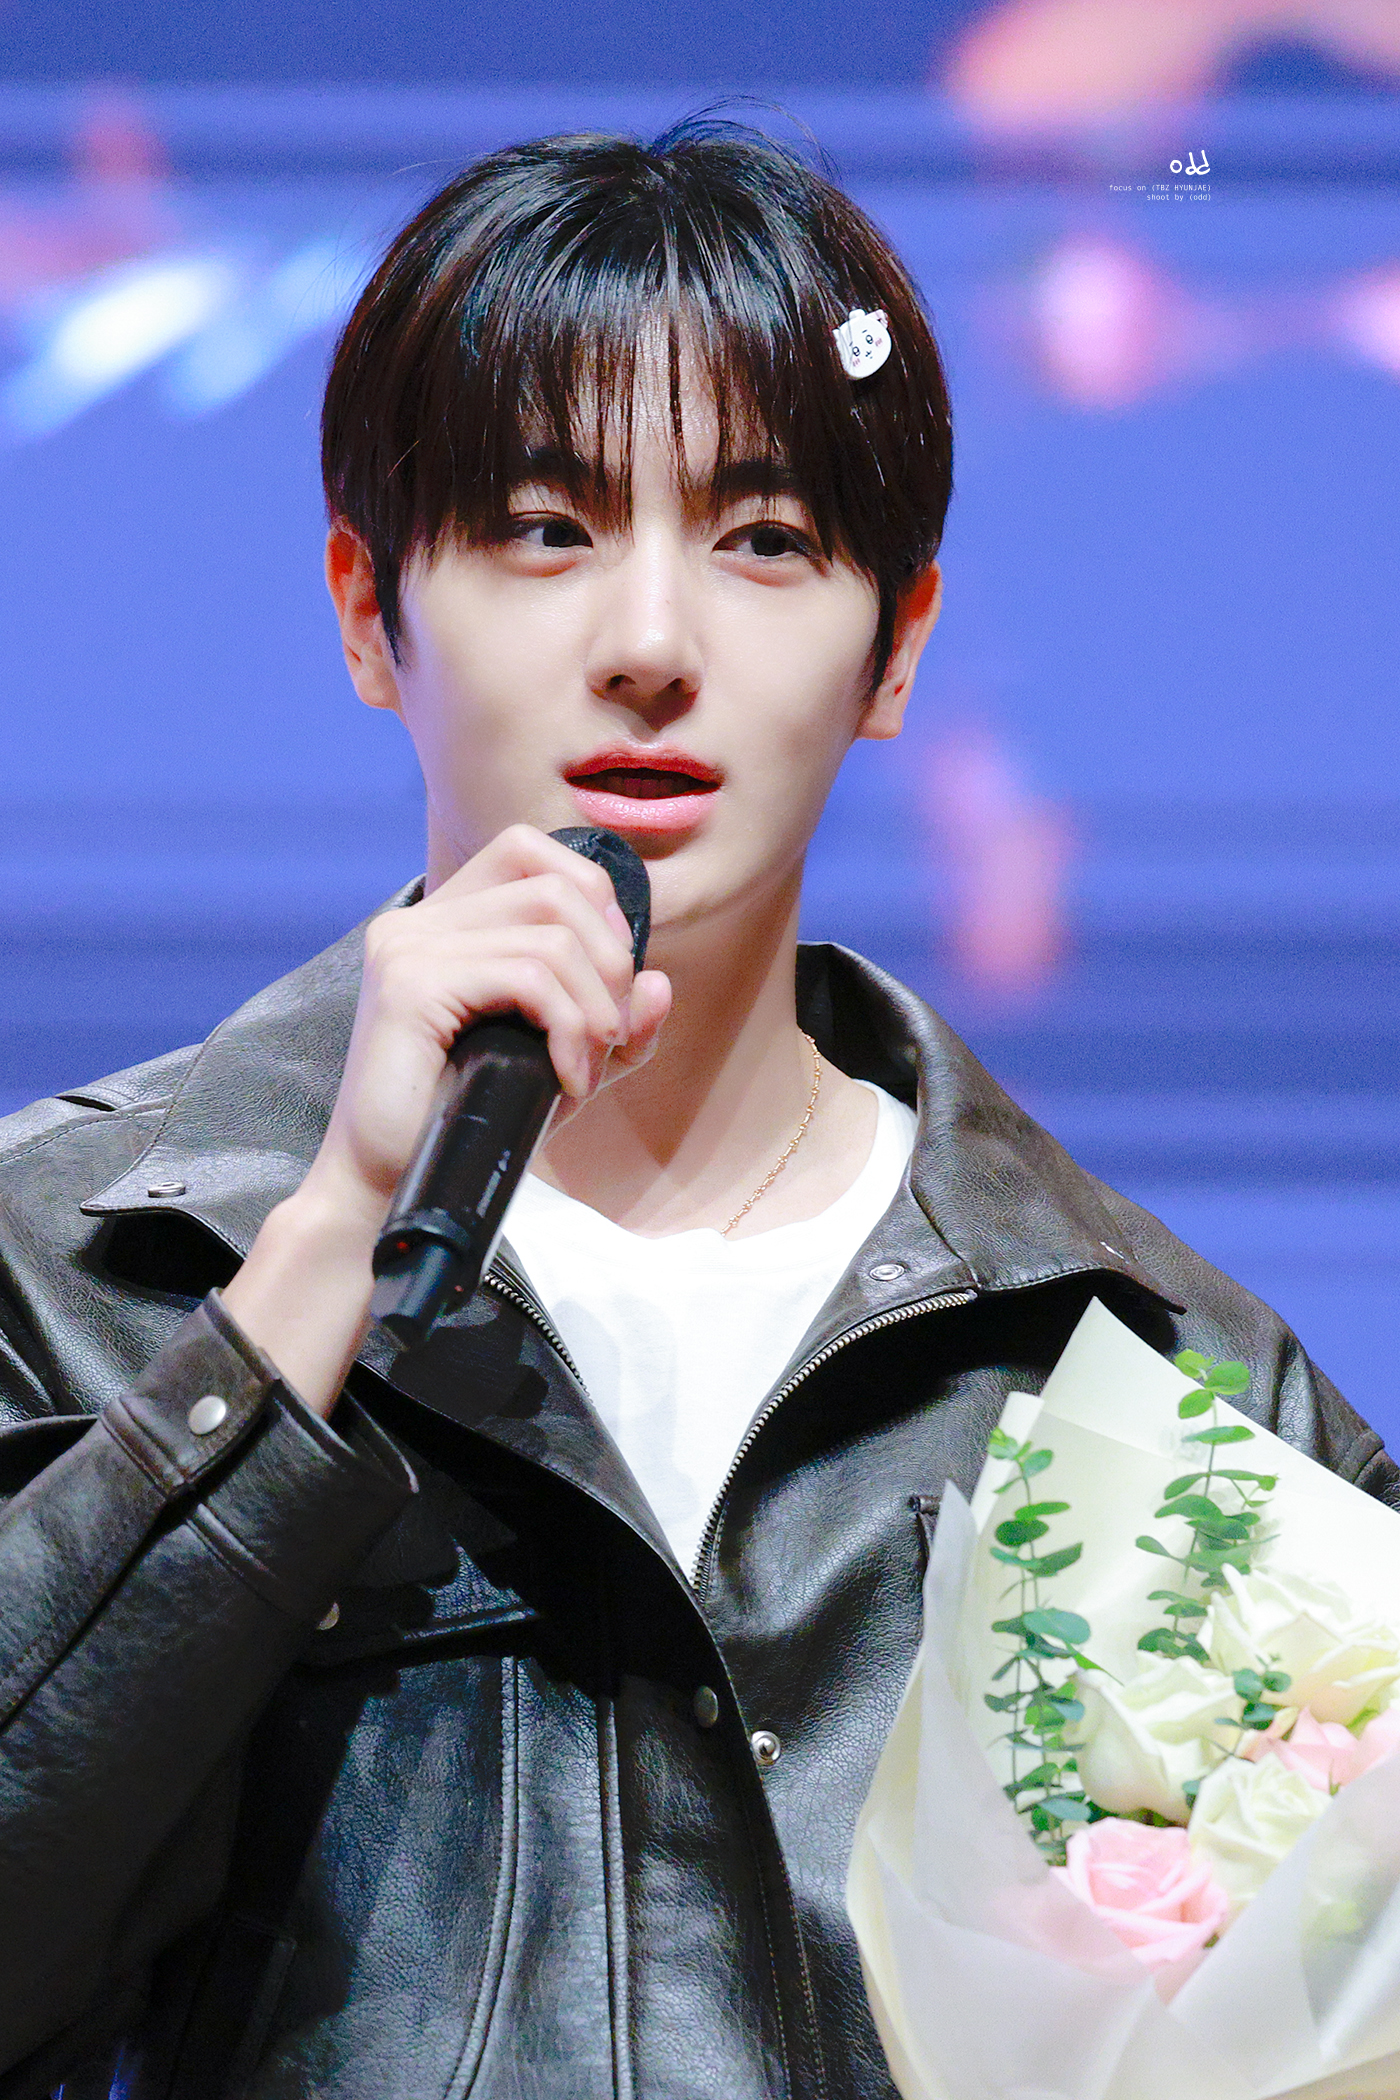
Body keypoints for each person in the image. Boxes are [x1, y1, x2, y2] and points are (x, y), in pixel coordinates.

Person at [0, 121, 1392, 2100]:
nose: (651, 647)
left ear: (898, 647)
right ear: (365, 611)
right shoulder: (76, 1270)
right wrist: (315, 1265)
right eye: (544, 529)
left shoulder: (1155, 1384)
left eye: (764, 542)